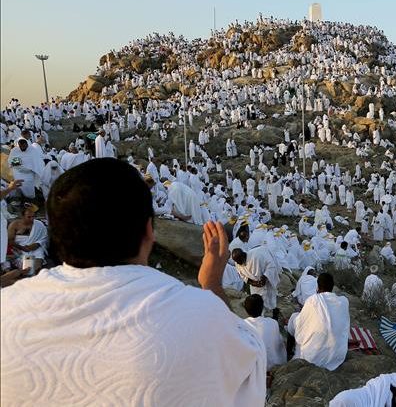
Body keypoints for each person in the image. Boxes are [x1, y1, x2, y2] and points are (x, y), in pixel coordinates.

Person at [0, 158, 266, 406]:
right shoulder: (199, 314)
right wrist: (212, 287)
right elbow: (246, 367)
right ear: (150, 230)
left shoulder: (6, 310)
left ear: (55, 233)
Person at [287, 272, 350, 371]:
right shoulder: (343, 301)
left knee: (293, 318)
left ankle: (289, 352)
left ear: (317, 286)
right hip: (338, 355)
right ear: (332, 286)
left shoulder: (313, 300)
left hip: (313, 357)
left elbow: (301, 323)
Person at [243, 294, 287, 371]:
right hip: (275, 365)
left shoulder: (242, 325)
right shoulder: (273, 322)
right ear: (262, 307)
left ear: (246, 309)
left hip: (255, 368)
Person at [7, 204, 48, 272]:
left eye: (33, 216)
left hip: (36, 248)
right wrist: (23, 248)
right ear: (22, 216)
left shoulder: (39, 224)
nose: (32, 219)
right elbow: (10, 241)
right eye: (29, 217)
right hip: (21, 249)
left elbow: (44, 237)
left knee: (37, 267)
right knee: (29, 270)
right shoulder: (14, 225)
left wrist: (37, 244)